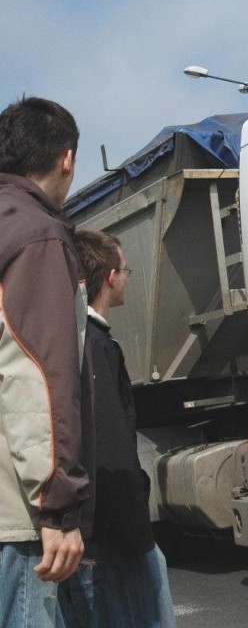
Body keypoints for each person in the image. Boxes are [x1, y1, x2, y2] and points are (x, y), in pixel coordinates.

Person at [0, 97, 89, 627]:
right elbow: (38, 374)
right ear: (67, 160)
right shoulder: (37, 234)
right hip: (14, 514)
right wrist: (56, 507)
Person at [58, 230, 176, 628]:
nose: (126, 276)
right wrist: (136, 527)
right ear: (111, 277)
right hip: (110, 532)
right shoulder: (98, 347)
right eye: (125, 269)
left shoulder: (71, 342)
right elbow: (109, 446)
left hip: (90, 524)